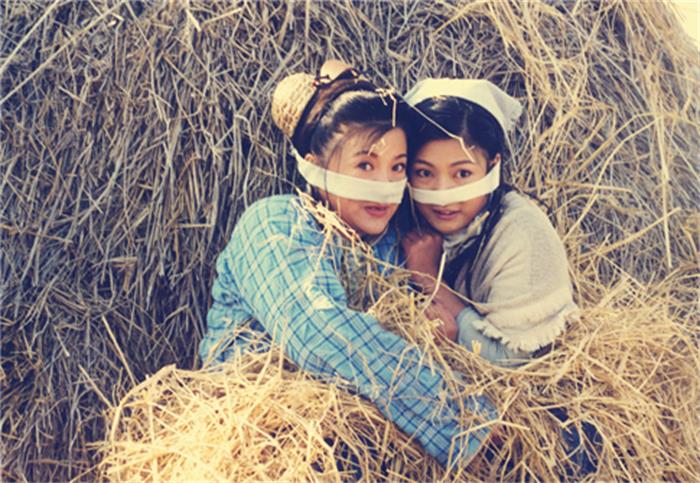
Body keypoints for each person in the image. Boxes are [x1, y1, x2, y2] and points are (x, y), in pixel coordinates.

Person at [198, 61, 495, 469]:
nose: (384, 185)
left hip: (365, 440)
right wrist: (463, 420)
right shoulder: (274, 224)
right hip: (264, 440)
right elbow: (320, 332)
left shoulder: (391, 242)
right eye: (365, 165)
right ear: (316, 165)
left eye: (397, 167)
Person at [401, 79, 580, 368]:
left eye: (462, 174)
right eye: (424, 173)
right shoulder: (402, 216)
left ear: (493, 167)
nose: (443, 195)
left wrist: (429, 279)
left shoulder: (523, 235)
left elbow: (511, 359)